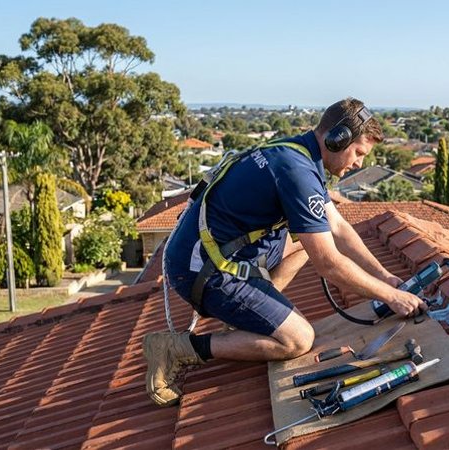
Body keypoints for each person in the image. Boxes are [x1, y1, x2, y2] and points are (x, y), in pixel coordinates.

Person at [143, 98, 425, 407]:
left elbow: (339, 228)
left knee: (308, 242)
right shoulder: (298, 173)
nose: (358, 163)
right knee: (298, 340)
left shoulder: (296, 151)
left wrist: (384, 276)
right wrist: (391, 296)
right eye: (358, 153)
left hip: (215, 253)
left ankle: (254, 316)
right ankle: (178, 348)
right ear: (338, 138)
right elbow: (330, 264)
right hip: (203, 270)